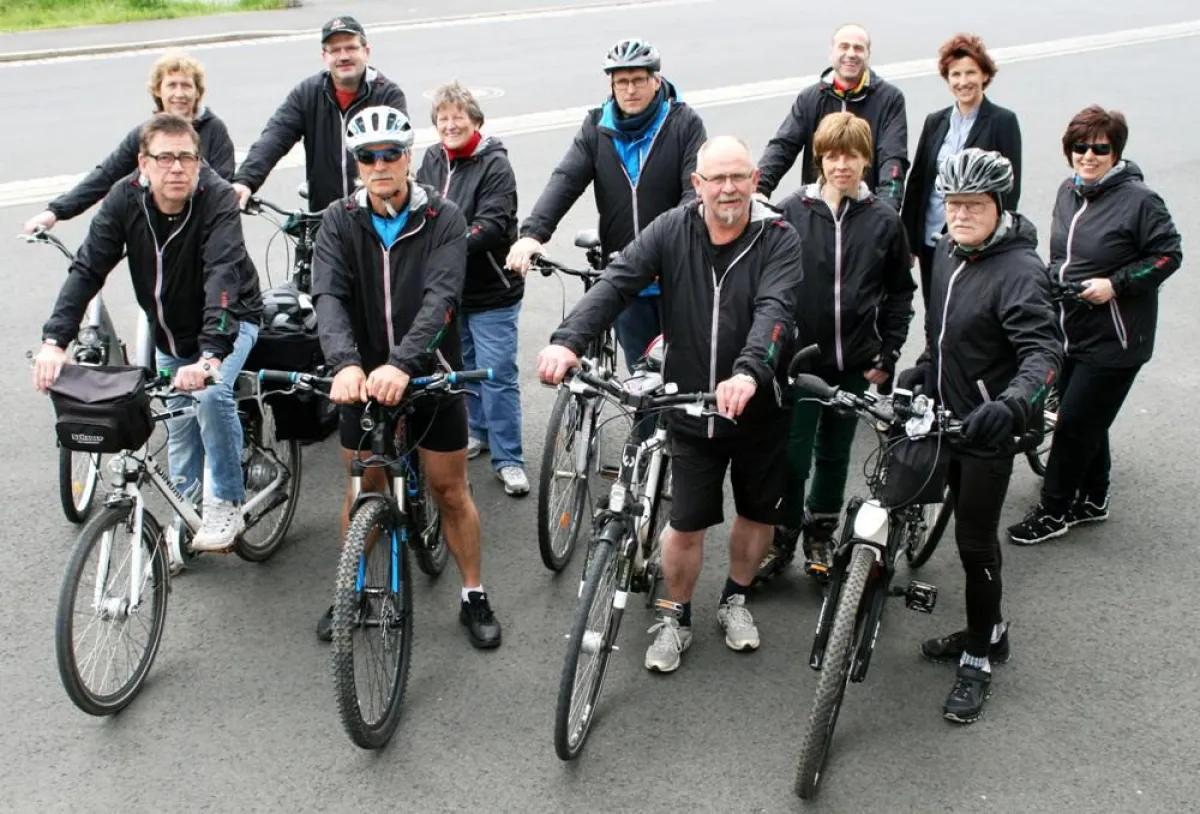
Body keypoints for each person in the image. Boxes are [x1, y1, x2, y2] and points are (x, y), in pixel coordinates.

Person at [536, 136, 802, 675]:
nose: (728, 189)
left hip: (758, 407)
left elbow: (776, 311)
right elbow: (616, 283)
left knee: (755, 513)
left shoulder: (779, 237)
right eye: (716, 179)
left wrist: (750, 372)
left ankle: (735, 599)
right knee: (685, 521)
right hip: (689, 402)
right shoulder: (672, 229)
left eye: (738, 177)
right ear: (697, 185)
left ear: (755, 179)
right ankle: (675, 615)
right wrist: (569, 340)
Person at [310, 105, 503, 649]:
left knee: (449, 488)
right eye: (367, 157)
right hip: (362, 378)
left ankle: (473, 593)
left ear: (409, 158)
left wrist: (404, 363)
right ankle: (352, 589)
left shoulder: (444, 217)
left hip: (429, 375)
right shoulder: (338, 220)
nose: (379, 165)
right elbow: (329, 296)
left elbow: (442, 299)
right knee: (362, 485)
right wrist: (346, 363)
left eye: (390, 154)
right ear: (356, 165)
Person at [33, 113, 263, 552]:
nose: (176, 168)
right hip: (170, 333)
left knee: (211, 395)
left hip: (230, 323)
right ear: (143, 162)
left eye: (186, 158)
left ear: (199, 163)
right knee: (177, 423)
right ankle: (186, 513)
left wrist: (211, 356)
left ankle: (228, 501)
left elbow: (223, 277)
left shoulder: (215, 200)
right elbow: (88, 269)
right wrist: (54, 342)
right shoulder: (124, 200)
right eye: (164, 158)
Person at [896, 148, 1061, 723]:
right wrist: (923, 367)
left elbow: (1043, 354)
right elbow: (939, 328)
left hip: (986, 428)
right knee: (893, 495)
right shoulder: (944, 248)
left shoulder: (1020, 272)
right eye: (952, 204)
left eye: (973, 205)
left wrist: (1014, 405)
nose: (959, 215)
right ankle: (975, 629)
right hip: (941, 411)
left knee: (974, 545)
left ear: (999, 205)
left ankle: (980, 652)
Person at [1007, 107, 1182, 545]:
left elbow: (1168, 255)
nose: (1088, 155)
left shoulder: (1140, 200)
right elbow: (1059, 256)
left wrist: (1115, 285)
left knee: (1073, 424)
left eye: (1100, 148)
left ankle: (1055, 510)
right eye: (1080, 147)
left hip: (1116, 339)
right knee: (1089, 418)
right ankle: (1094, 498)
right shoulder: (1070, 191)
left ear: (1115, 151)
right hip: (1070, 329)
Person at [755, 112, 915, 584]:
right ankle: (782, 535)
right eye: (832, 155)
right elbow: (767, 285)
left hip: (855, 362)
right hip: (800, 363)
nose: (842, 165)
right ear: (819, 159)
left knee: (835, 451)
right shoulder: (791, 211)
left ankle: (820, 531)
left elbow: (900, 292)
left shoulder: (884, 221)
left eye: (852, 156)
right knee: (793, 452)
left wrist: (889, 352)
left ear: (867, 160)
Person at [506, 38, 707, 373]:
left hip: (678, 271)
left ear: (655, 80)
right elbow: (566, 179)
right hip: (628, 276)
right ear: (611, 85)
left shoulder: (683, 123)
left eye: (638, 80)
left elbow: (694, 194)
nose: (630, 90)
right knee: (641, 377)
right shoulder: (597, 127)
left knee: (683, 375)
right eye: (621, 82)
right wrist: (533, 234)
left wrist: (667, 250)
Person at [416, 81, 529, 497]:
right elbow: (421, 207)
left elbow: (492, 225)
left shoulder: (495, 165)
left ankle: (510, 459)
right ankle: (477, 432)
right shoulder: (431, 158)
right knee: (461, 371)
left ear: (476, 120)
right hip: (450, 290)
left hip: (492, 290)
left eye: (458, 117)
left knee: (497, 375)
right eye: (442, 119)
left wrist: (443, 245)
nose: (450, 125)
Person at [24, 52, 234, 234]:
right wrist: (55, 212)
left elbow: (222, 190)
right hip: (155, 235)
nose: (179, 94)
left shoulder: (214, 130)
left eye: (186, 85)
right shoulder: (146, 134)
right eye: (171, 85)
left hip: (203, 236)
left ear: (197, 92)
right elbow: (106, 175)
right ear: (158, 91)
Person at [231, 16, 408, 213]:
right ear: (324, 56)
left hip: (377, 214)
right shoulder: (307, 93)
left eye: (351, 48)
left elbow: (399, 153)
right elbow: (275, 137)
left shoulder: (387, 94)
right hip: (325, 217)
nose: (343, 56)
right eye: (335, 50)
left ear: (366, 52)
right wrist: (245, 181)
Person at [901, 33, 1022, 307]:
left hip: (975, 236)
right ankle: (935, 348)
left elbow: (1010, 188)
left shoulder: (1002, 121)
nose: (963, 81)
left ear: (984, 76)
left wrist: (999, 238)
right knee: (934, 300)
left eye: (970, 73)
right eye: (955, 74)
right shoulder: (936, 121)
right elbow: (919, 180)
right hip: (933, 232)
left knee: (967, 305)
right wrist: (908, 240)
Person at [755, 23, 908, 211]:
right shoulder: (810, 98)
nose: (851, 53)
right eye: (844, 46)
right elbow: (783, 145)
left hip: (866, 210)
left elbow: (892, 157)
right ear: (831, 53)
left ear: (868, 55)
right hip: (818, 211)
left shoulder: (890, 99)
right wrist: (759, 187)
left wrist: (887, 208)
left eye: (858, 48)